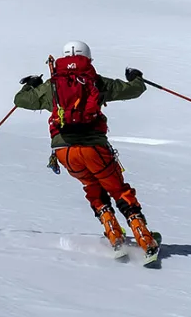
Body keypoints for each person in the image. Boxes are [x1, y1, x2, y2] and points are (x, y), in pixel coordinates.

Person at [14, 40, 158, 255]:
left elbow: (21, 100)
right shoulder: (95, 81)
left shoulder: (51, 85)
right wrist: (136, 78)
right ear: (88, 58)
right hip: (94, 148)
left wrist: (31, 85)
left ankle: (114, 237)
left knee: (93, 189)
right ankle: (145, 240)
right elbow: (134, 90)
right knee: (119, 190)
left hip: (65, 152)